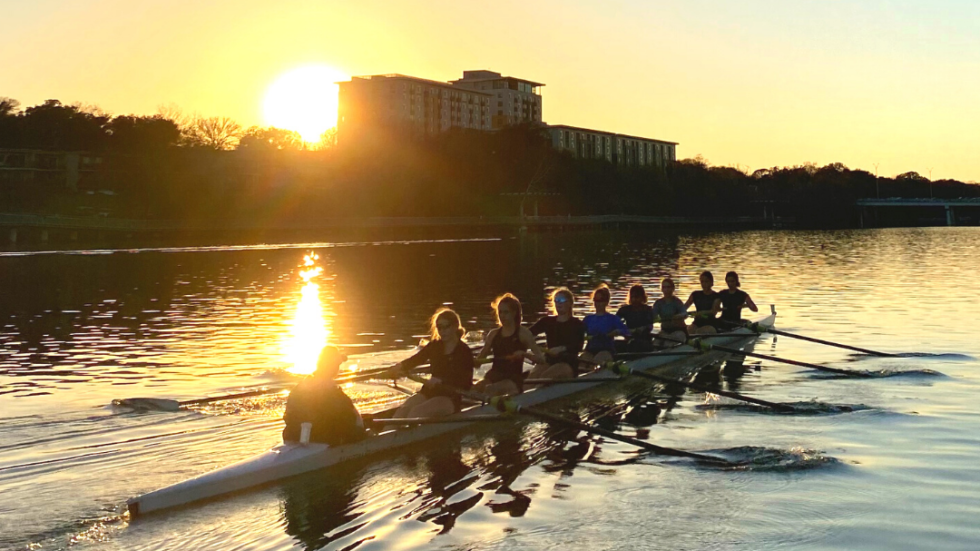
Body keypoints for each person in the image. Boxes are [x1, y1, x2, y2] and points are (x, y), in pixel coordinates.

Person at [391, 308, 475, 418]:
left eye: (446, 326)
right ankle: (385, 434)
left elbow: (466, 383)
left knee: (416, 412)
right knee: (402, 411)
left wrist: (442, 381)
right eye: (439, 327)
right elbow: (417, 359)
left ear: (455, 326)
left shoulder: (464, 351)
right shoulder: (435, 346)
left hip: (450, 397)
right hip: (430, 391)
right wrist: (400, 367)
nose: (442, 331)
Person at [282, 346, 365, 445]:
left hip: (293, 436)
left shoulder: (302, 385)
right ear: (333, 366)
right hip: (321, 438)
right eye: (337, 364)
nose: (338, 368)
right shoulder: (332, 391)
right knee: (359, 432)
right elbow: (350, 417)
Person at [476, 293, 546, 396]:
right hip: (494, 375)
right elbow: (479, 362)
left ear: (514, 313)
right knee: (474, 389)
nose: (502, 316)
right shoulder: (493, 334)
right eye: (500, 312)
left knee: (490, 390)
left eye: (506, 312)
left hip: (513, 379)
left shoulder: (523, 333)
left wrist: (524, 354)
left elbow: (541, 359)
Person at [527, 288, 586, 380]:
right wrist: (536, 353)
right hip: (549, 360)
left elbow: (578, 346)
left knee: (545, 377)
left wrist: (562, 348)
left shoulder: (577, 324)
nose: (558, 303)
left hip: (568, 363)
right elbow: (527, 335)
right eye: (556, 300)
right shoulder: (546, 321)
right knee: (532, 378)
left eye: (561, 300)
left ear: (570, 303)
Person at [582, 284, 630, 364]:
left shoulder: (612, 319)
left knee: (598, 360)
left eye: (601, 300)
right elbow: (578, 334)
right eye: (596, 300)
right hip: (590, 350)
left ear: (606, 302)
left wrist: (618, 331)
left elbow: (627, 332)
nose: (598, 303)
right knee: (582, 361)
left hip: (607, 350)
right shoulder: (588, 319)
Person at [615, 284, 655, 352]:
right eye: (632, 297)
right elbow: (615, 322)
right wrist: (625, 330)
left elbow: (650, 326)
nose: (634, 299)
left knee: (635, 344)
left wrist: (642, 329)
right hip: (629, 338)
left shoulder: (647, 310)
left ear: (642, 297)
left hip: (644, 340)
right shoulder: (624, 310)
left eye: (636, 297)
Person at [651, 278, 688, 346]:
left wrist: (679, 316)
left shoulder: (677, 302)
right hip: (665, 331)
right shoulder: (658, 303)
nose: (666, 290)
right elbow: (653, 316)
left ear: (673, 289)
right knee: (655, 344)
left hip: (678, 331)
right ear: (662, 289)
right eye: (664, 287)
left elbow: (684, 313)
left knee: (668, 343)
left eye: (668, 287)